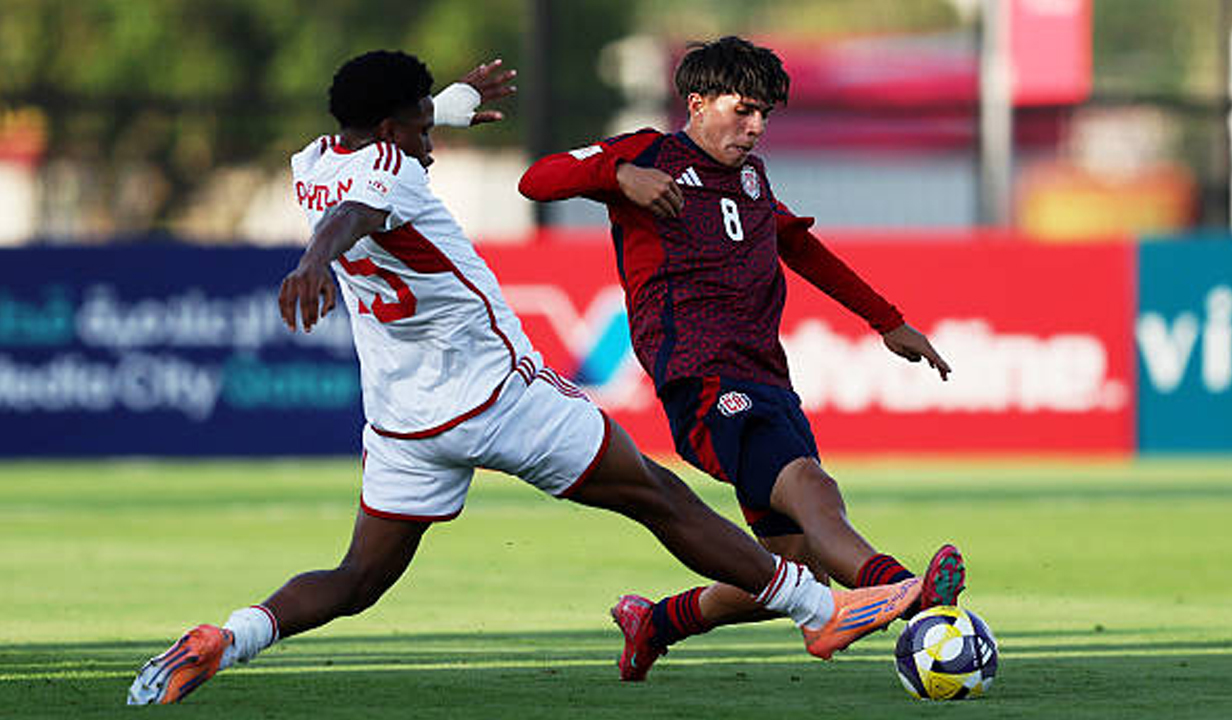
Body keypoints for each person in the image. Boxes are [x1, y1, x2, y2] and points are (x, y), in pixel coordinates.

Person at [126, 49, 921, 706]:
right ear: (390, 132)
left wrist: (451, 100)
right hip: (497, 395)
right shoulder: (390, 179)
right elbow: (359, 214)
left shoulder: (310, 164)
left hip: (403, 418)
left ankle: (232, 637)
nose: (430, 143)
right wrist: (311, 263)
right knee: (658, 496)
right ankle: (822, 609)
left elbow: (360, 173)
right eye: (419, 126)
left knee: (359, 577)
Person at [519, 36, 965, 682]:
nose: (755, 128)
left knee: (792, 570)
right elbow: (536, 178)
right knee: (813, 490)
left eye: (765, 116)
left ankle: (658, 621)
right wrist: (618, 175)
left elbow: (800, 248)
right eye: (743, 111)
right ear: (696, 104)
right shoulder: (649, 155)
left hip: (764, 375)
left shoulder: (752, 178)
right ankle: (905, 590)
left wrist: (887, 321)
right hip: (701, 377)